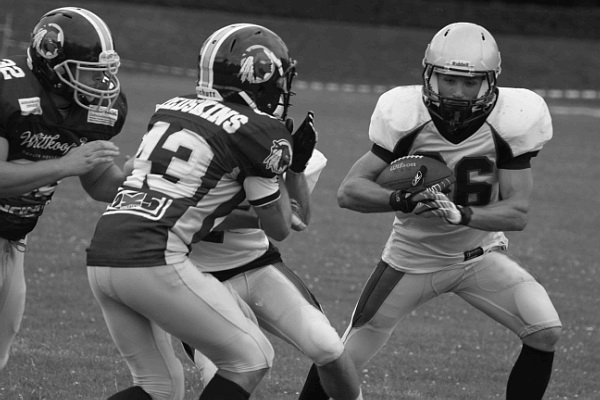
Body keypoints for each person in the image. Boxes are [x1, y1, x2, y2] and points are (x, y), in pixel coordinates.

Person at [299, 22, 561, 400]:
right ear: (429, 76)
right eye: (448, 80)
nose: (457, 92)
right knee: (342, 357)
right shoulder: (407, 117)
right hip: (413, 258)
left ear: (490, 83)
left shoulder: (511, 121)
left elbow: (517, 212)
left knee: (544, 331)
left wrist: (462, 215)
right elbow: (349, 191)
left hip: (479, 256)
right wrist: (402, 200)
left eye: (470, 83)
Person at [85, 23, 315, 400]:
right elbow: (280, 226)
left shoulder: (174, 111)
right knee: (249, 360)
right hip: (166, 260)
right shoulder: (256, 132)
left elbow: (133, 176)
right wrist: (281, 179)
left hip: (113, 251)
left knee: (159, 387)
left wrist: (285, 171)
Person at [183, 141, 364, 400]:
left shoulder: (268, 143)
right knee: (221, 377)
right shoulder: (190, 144)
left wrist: (296, 170)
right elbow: (184, 215)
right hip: (198, 278)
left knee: (327, 345)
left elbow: (299, 218)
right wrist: (260, 217)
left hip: (257, 264)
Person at [0, 7, 127, 371]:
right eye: (89, 70)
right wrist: (64, 165)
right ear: (50, 61)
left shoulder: (95, 108)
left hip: (13, 237)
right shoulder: (8, 89)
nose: (100, 82)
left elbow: (99, 183)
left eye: (104, 72)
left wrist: (141, 178)